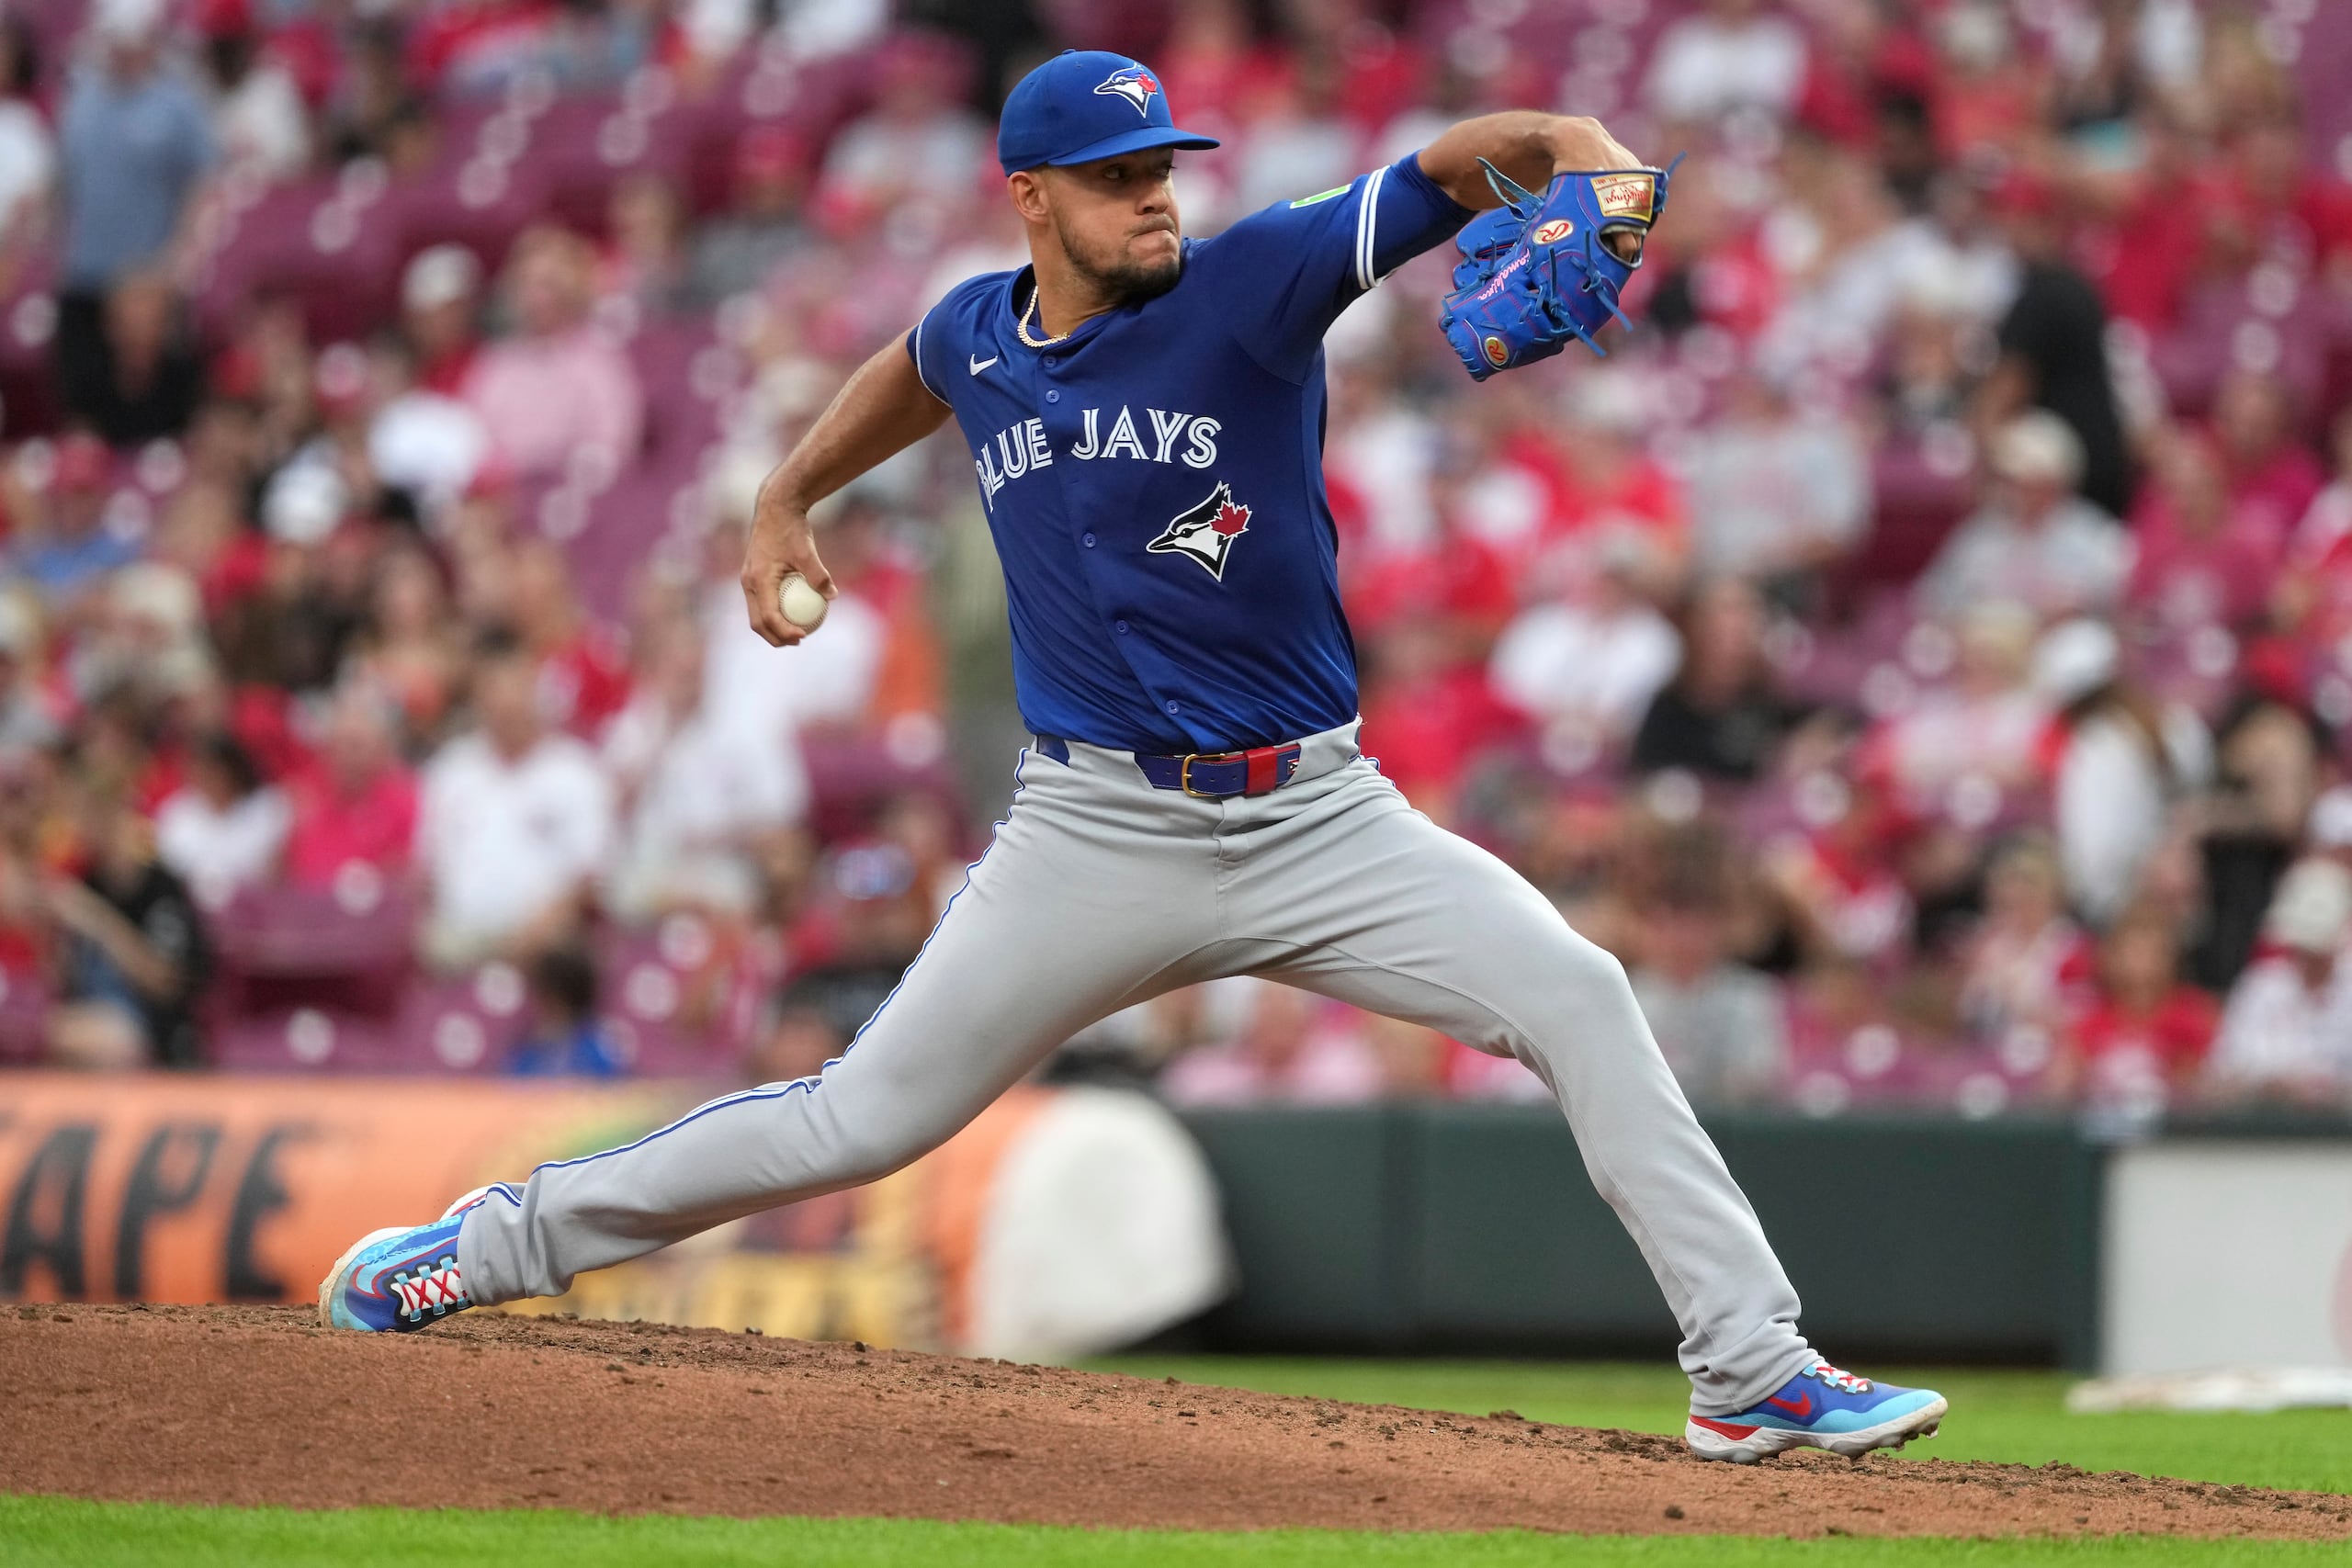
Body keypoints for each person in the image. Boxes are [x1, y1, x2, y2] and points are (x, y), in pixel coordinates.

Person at [322, 50, 1947, 1466]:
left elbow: (1462, 162)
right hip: (1093, 831)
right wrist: (781, 496)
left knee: (1581, 993)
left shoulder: (1252, 285)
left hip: (1323, 815)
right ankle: (496, 1242)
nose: (1154, 197)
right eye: (1115, 180)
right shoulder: (983, 336)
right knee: (860, 1120)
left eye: (1162, 165)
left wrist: (1587, 157)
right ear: (1032, 197)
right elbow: (916, 368)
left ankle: (1751, 1376)